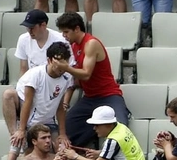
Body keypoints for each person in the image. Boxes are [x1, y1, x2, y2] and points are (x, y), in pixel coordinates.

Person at [0, 42, 74, 160]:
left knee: (63, 147)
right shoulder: (35, 75)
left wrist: (62, 133)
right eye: (59, 66)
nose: (62, 70)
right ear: (50, 60)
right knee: (22, 138)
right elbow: (27, 103)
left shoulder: (66, 78)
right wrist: (21, 129)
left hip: (49, 122)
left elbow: (61, 107)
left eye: (65, 66)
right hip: (31, 122)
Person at [55, 12, 130, 148]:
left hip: (109, 95)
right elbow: (76, 79)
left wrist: (65, 68)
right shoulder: (73, 46)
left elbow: (86, 74)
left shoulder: (91, 44)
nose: (64, 36)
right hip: (89, 98)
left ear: (77, 29)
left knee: (121, 130)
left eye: (66, 32)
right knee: (65, 129)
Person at [14, 10, 72, 76]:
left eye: (32, 28)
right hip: (33, 81)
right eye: (27, 28)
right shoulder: (23, 39)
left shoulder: (61, 40)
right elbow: (23, 69)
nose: (29, 31)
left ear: (43, 25)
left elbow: (68, 67)